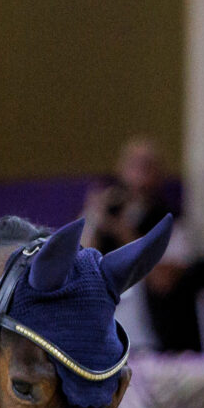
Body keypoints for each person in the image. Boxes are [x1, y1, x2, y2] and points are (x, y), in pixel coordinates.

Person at [82, 135, 190, 348]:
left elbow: (163, 282)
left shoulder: (173, 222)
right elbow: (81, 264)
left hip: (151, 339)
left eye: (147, 166)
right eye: (134, 164)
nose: (140, 173)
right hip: (101, 333)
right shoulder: (105, 213)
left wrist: (125, 233)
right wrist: (93, 218)